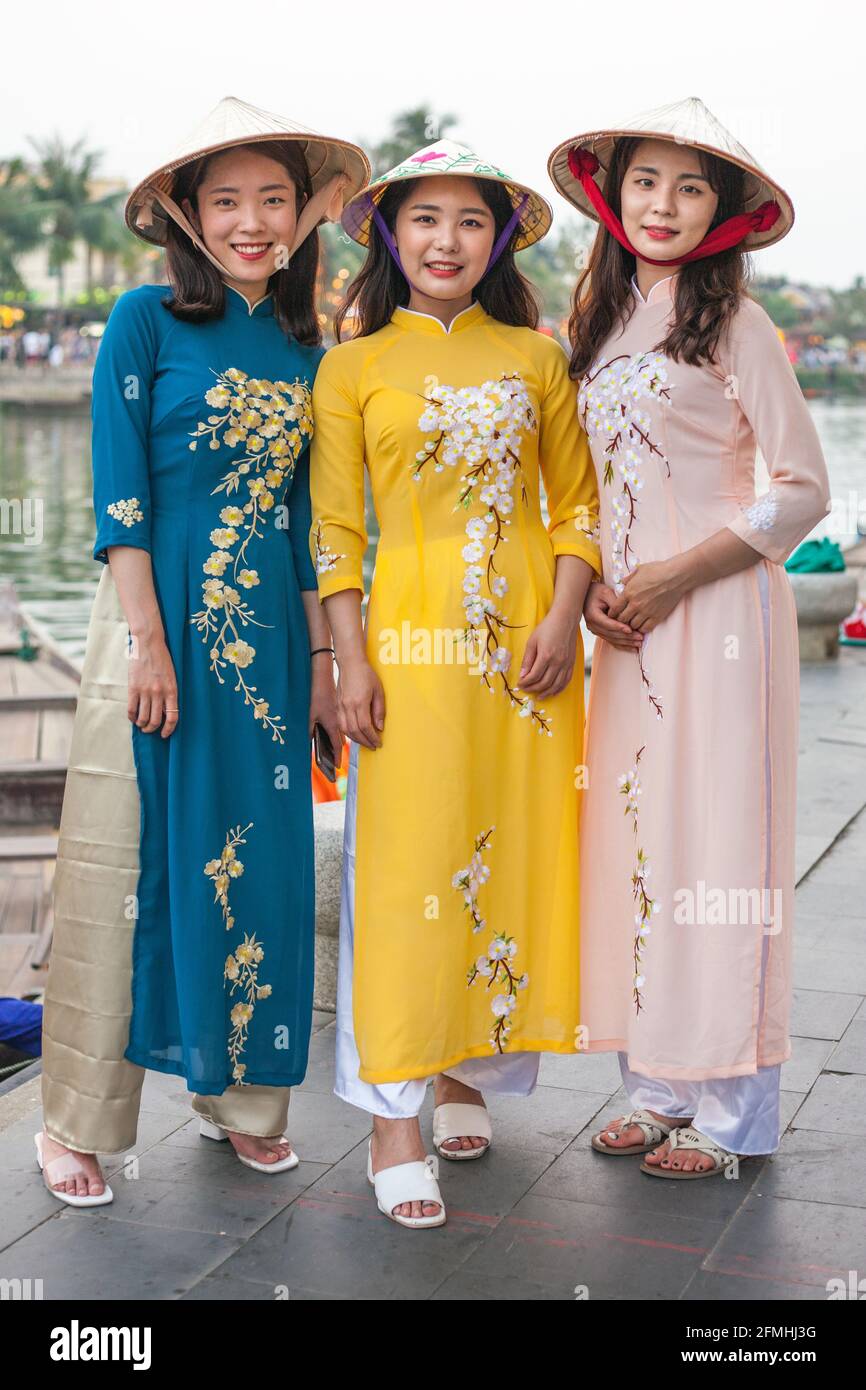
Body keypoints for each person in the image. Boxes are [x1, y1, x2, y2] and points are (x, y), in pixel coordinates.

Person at [36, 96, 369, 1206]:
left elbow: (307, 522)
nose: (251, 221)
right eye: (225, 200)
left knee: (258, 866)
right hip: (149, 625)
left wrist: (323, 666)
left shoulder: (305, 345)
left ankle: (241, 1104)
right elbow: (120, 495)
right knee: (122, 870)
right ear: (185, 213)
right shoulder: (142, 320)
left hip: (268, 650)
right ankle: (78, 1123)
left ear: (301, 214)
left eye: (273, 199)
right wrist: (147, 643)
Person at [310, 141, 601, 1226]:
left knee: (509, 849)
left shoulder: (537, 356)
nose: (446, 240)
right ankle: (393, 1116)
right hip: (405, 642)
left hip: (525, 651)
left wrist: (564, 618)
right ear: (392, 234)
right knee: (403, 865)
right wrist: (345, 657)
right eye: (424, 219)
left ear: (500, 238)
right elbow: (337, 529)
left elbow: (573, 506)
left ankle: (461, 1067)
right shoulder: (351, 367)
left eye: (469, 222)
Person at [547, 97, 831, 1177]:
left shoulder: (735, 323)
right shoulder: (604, 320)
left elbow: (802, 489)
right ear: (610, 193)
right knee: (634, 843)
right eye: (645, 181)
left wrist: (672, 572)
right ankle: (657, 1083)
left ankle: (732, 1116)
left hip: (714, 620)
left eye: (689, 185)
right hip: (623, 635)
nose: (661, 204)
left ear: (722, 209)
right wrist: (594, 595)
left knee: (720, 850)